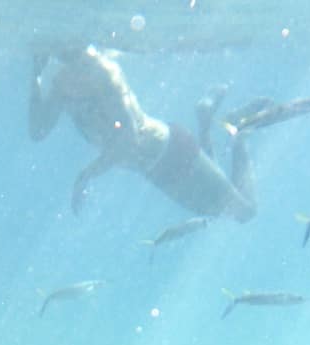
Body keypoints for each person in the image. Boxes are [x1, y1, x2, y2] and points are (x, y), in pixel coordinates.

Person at [28, 45, 255, 222]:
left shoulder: (100, 74)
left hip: (170, 150)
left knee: (242, 212)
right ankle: (205, 117)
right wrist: (36, 78)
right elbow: (38, 131)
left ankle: (237, 135)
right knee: (217, 210)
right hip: (153, 166)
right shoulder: (66, 82)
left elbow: (129, 139)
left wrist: (85, 175)